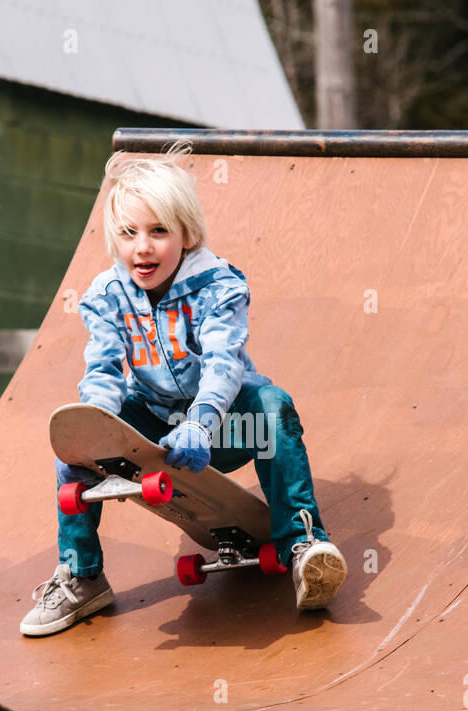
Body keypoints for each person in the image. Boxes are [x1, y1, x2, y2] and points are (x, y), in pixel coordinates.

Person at [21, 140, 347, 637]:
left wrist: (201, 420)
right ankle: (82, 577)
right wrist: (96, 431)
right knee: (72, 449)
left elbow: (223, 363)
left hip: (226, 424)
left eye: (158, 232)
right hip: (154, 421)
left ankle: (303, 547)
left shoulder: (218, 286)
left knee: (273, 406)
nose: (142, 247)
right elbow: (104, 370)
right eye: (129, 234)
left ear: (187, 235)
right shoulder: (108, 295)